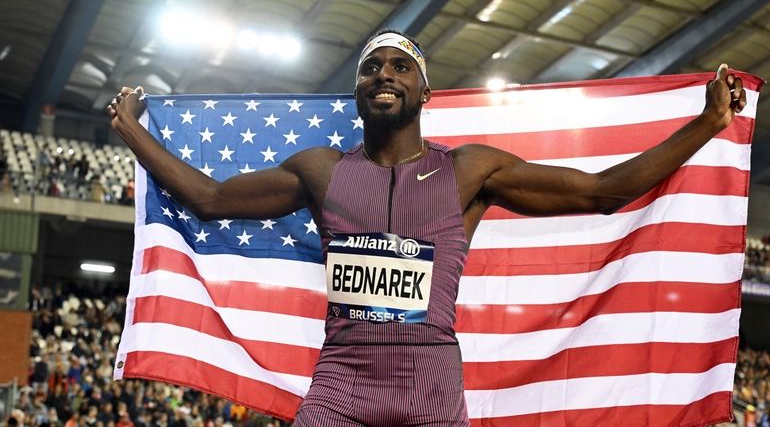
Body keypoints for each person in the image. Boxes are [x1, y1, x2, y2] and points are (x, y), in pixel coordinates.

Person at [107, 29, 747, 427]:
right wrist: (132, 128)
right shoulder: (320, 170)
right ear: (357, 92)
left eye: (398, 66)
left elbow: (605, 192)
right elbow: (212, 198)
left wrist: (707, 124)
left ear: (425, 89)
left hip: (431, 379)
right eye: (370, 67)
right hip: (342, 376)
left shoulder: (469, 170)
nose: (382, 73)